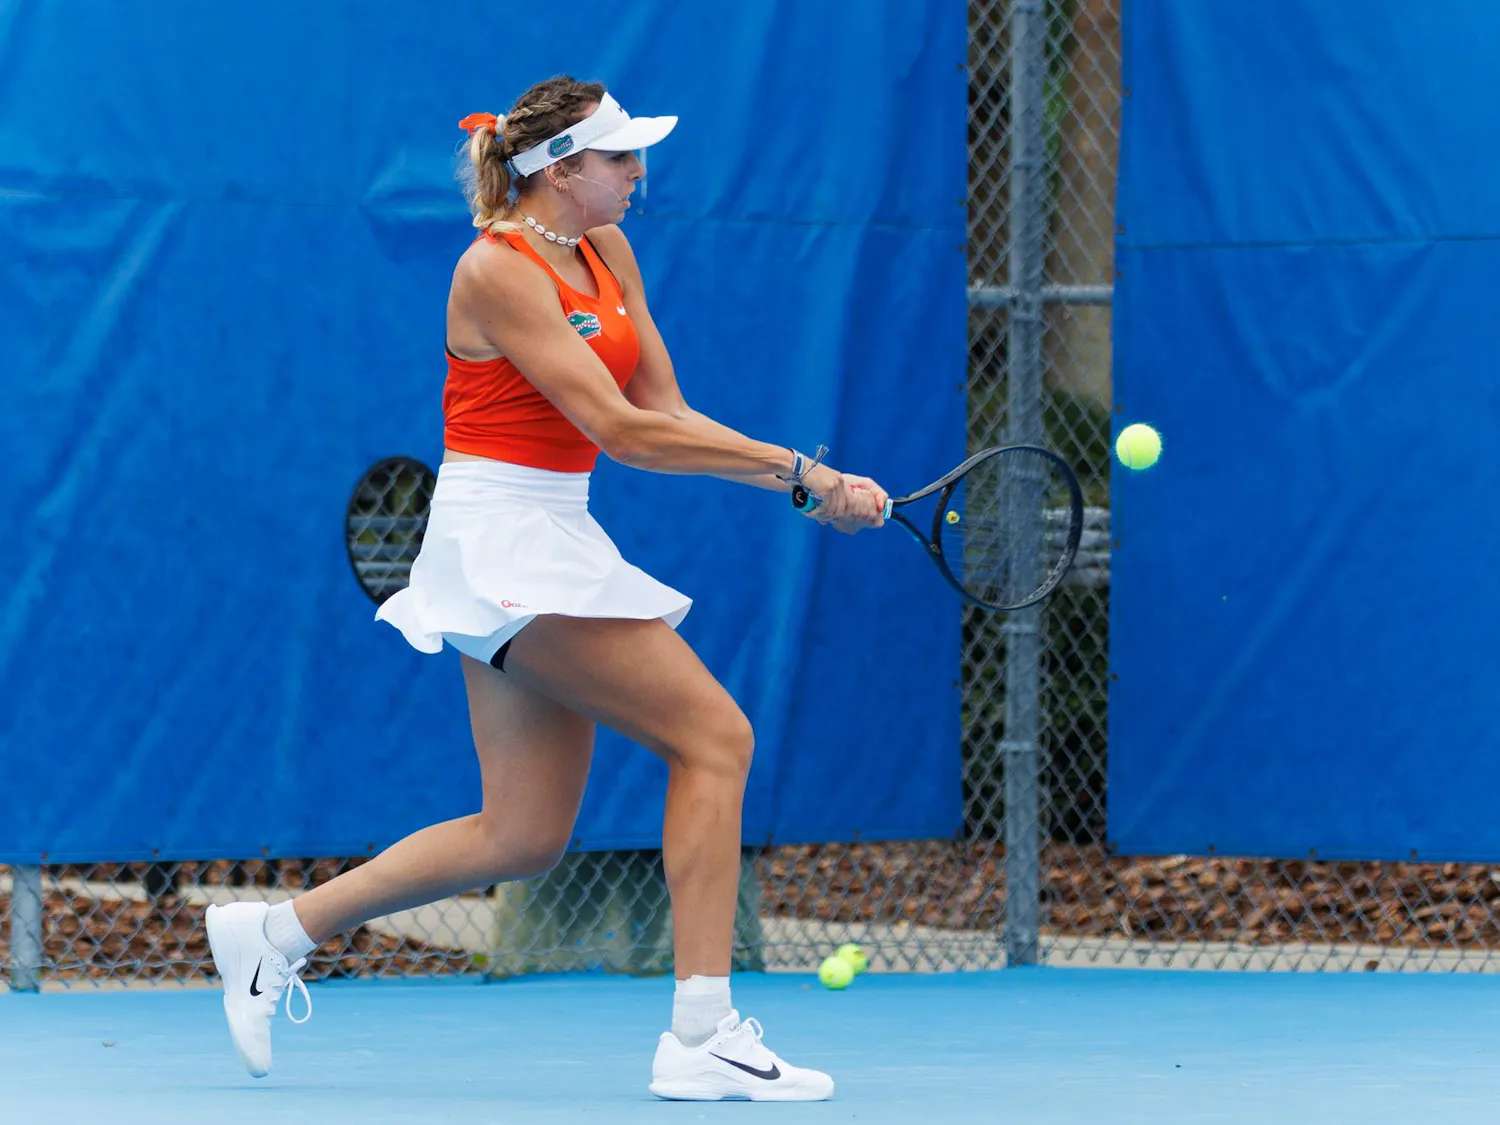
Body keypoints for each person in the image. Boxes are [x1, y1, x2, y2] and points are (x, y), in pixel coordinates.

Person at [205, 74, 886, 1103]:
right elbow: (617, 428)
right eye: (620, 159)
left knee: (522, 835)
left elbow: (663, 415)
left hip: (555, 531)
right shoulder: (496, 272)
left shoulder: (607, 251)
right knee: (716, 739)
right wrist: (803, 471)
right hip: (500, 540)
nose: (639, 175)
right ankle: (702, 1033)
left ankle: (272, 934)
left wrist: (803, 487)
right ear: (560, 171)